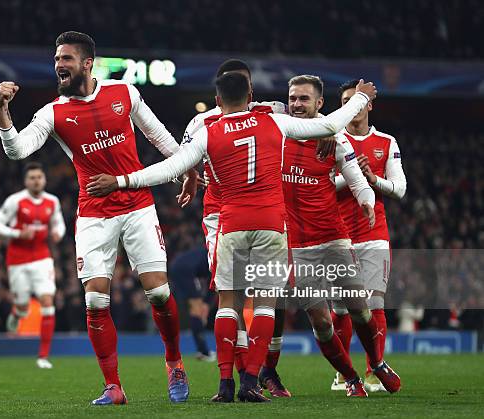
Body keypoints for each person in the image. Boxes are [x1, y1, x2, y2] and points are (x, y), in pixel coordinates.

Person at [86, 72, 378, 401]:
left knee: (228, 305)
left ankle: (226, 383)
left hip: (231, 224)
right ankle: (251, 381)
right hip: (269, 224)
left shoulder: (209, 132)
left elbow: (169, 168)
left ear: (218, 101)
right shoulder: (273, 123)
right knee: (266, 305)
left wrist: (121, 181)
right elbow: (326, 125)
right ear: (251, 95)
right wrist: (361, 98)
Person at [0, 31, 196, 404]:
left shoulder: (124, 92)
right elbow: (17, 150)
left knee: (159, 291)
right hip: (93, 214)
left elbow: (158, 136)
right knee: (95, 302)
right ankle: (113, 386)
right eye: (57, 59)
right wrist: (3, 112)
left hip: (137, 206)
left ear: (87, 63)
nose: (59, 65)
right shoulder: (53, 112)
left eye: (66, 59)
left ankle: (174, 363)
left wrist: (186, 169)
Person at [281, 75, 401, 396]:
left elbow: (358, 180)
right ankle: (350, 378)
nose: (296, 104)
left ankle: (375, 363)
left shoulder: (335, 139)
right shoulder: (277, 132)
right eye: (292, 98)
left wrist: (366, 200)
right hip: (297, 246)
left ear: (319, 104)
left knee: (360, 309)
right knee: (321, 323)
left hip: (333, 239)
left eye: (304, 99)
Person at [180, 59, 290, 397]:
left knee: (258, 298)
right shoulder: (200, 123)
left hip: (261, 209)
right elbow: (184, 157)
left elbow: (308, 127)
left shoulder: (272, 113)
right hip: (220, 215)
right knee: (236, 296)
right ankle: (243, 376)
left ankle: (255, 374)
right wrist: (189, 174)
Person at [332, 79, 407, 392]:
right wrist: (352, 176)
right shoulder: (331, 140)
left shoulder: (386, 142)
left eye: (358, 100)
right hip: (337, 236)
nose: (353, 106)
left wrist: (373, 178)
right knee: (340, 309)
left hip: (374, 234)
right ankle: (343, 373)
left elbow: (399, 189)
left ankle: (374, 371)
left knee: (374, 303)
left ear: (369, 105)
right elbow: (321, 186)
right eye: (347, 100)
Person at [0, 162, 66, 369]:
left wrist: (59, 232)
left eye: (39, 177)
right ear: (26, 181)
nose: (36, 181)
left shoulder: (52, 201)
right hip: (17, 260)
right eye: (32, 178)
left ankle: (43, 356)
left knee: (47, 302)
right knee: (23, 306)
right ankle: (17, 314)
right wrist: (16, 234)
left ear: (44, 179)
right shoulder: (15, 201)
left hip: (42, 257)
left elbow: (59, 222)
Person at [168, 247, 216, 362]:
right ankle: (203, 351)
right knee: (196, 308)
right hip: (186, 270)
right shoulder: (219, 259)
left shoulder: (211, 250)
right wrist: (206, 305)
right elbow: (214, 281)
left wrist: (206, 304)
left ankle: (201, 350)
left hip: (177, 267)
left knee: (194, 308)